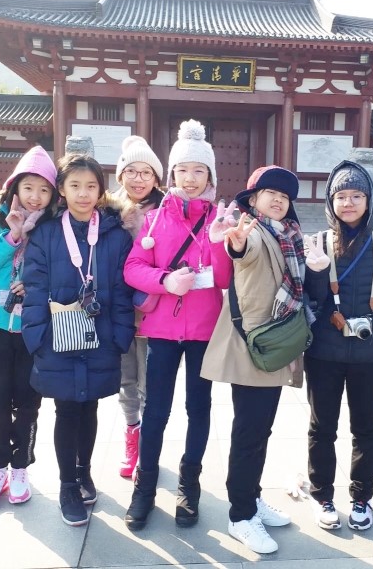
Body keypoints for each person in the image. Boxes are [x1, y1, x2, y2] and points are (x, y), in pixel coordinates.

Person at [122, 119, 232, 531]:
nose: (190, 178)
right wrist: (165, 281)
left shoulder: (220, 218)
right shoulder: (154, 220)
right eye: (182, 170)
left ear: (210, 176)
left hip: (204, 330)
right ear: (171, 174)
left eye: (199, 170)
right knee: (156, 410)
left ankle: (189, 486)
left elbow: (224, 279)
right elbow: (133, 267)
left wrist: (219, 243)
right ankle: (145, 487)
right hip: (163, 332)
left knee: (198, 409)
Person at [20, 154, 135, 526]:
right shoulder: (46, 233)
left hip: (102, 336)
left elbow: (122, 291)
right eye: (75, 186)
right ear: (62, 190)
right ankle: (68, 485)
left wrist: (120, 336)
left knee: (90, 408)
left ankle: (84, 472)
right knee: (67, 410)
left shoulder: (115, 235)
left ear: (101, 190)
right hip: (57, 338)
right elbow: (34, 289)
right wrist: (37, 337)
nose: (83, 194)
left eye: (91, 186)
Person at [202, 166, 305, 554]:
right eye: (270, 193)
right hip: (254, 347)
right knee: (249, 433)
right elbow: (243, 252)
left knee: (260, 430)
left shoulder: (287, 235)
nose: (278, 200)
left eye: (285, 195)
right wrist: (237, 244)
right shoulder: (255, 232)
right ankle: (241, 516)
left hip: (274, 346)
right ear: (254, 198)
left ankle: (252, 497)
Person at [302, 160, 373, 532]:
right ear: (331, 201)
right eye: (341, 196)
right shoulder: (317, 243)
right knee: (322, 428)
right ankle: (322, 495)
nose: (348, 203)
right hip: (323, 353)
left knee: (366, 428)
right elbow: (309, 302)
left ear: (369, 200)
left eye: (356, 196)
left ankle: (362, 497)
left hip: (370, 355)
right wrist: (315, 271)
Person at [0, 146, 58, 507]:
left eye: (44, 189)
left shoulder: (54, 224)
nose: (35, 196)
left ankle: (20, 466)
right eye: (28, 187)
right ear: (15, 186)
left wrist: (36, 287)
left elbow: (60, 270)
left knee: (28, 398)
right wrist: (11, 236)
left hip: (34, 322)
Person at [112, 135, 165, 479]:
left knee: (150, 383)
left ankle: (148, 447)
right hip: (117, 311)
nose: (138, 179)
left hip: (152, 309)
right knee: (125, 379)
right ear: (121, 175)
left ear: (156, 178)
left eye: (146, 172)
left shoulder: (167, 211)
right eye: (131, 171)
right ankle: (131, 438)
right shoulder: (107, 210)